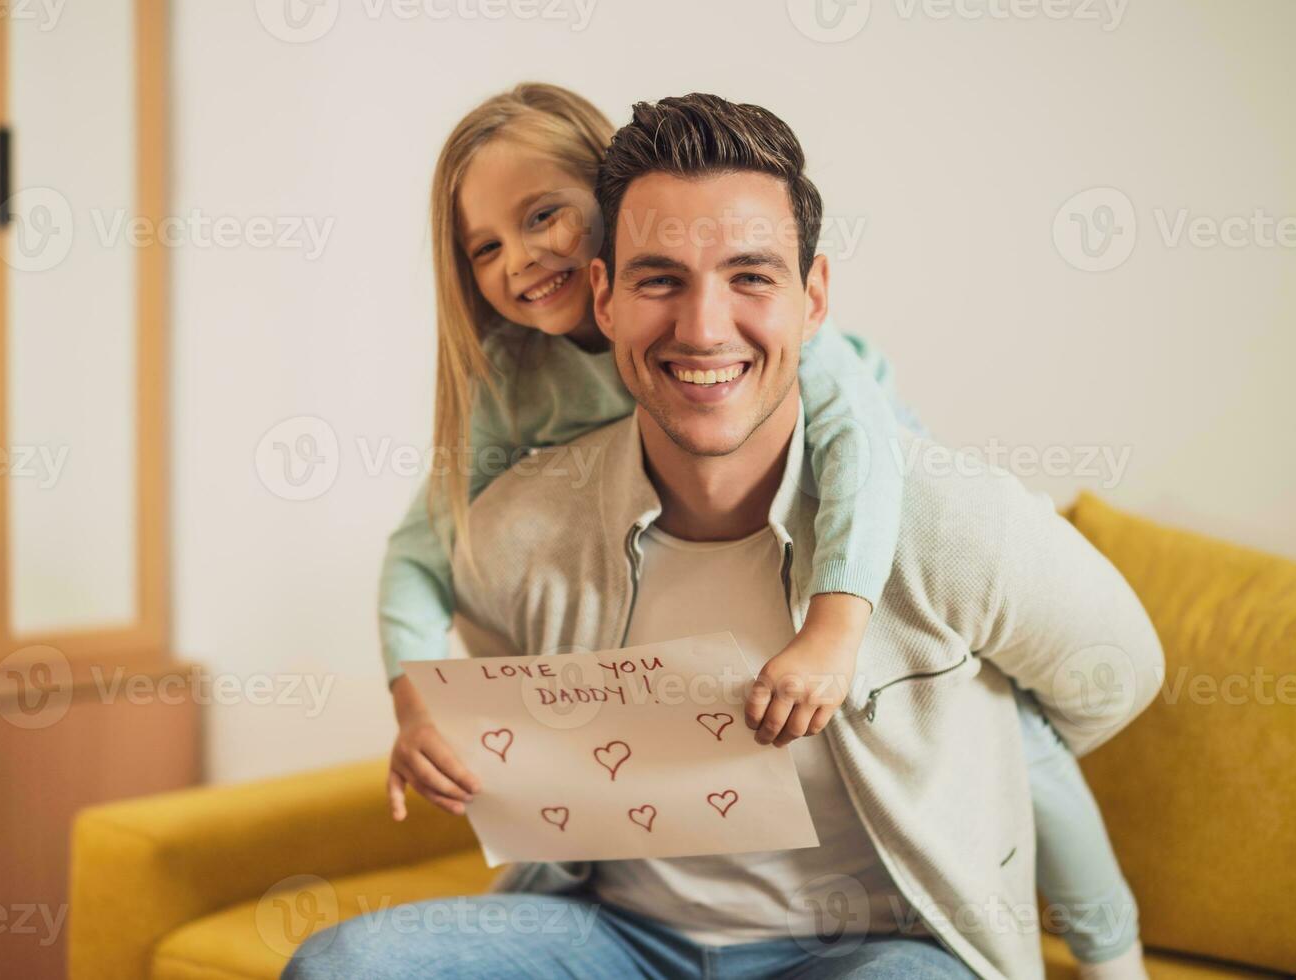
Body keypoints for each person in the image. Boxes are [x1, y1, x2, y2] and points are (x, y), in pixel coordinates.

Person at [333, 87, 1159, 978]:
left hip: (874, 943)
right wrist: (431, 705)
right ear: (610, 294)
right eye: (484, 247)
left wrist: (857, 648)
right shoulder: (524, 449)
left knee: (1019, 741)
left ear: (813, 299)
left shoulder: (930, 501)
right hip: (626, 934)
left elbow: (1115, 676)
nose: (702, 327)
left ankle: (1113, 950)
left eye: (750, 276)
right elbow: (438, 560)